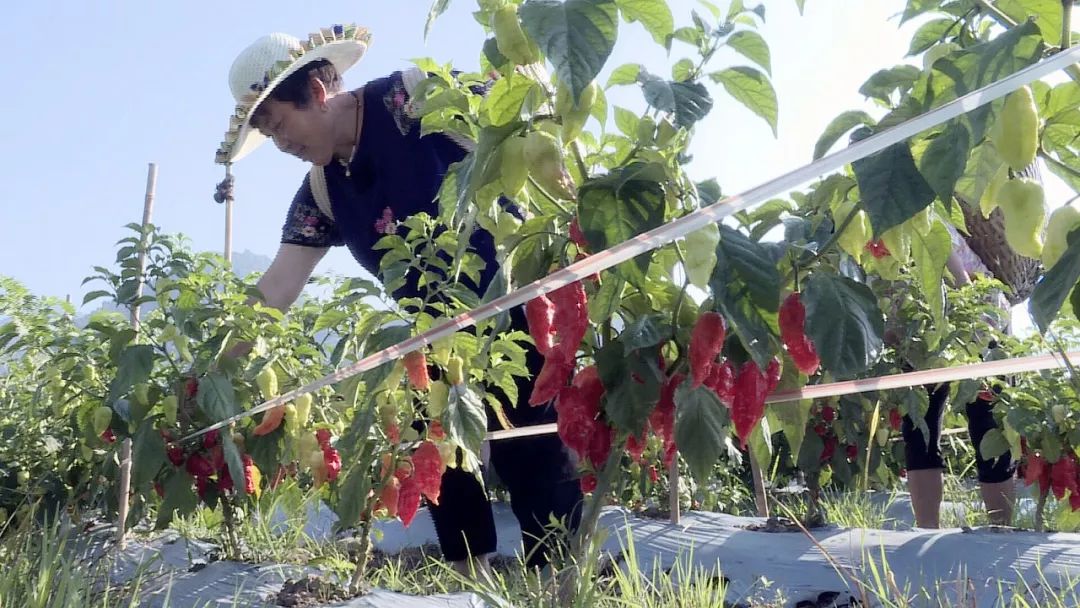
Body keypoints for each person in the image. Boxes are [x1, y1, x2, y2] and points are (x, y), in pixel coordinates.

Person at [214, 24, 582, 574]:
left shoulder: (415, 99)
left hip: (517, 301)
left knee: (527, 441)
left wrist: (581, 222)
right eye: (268, 133)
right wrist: (216, 371)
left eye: (279, 124)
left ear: (316, 92)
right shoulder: (321, 190)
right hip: (436, 330)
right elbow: (278, 285)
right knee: (428, 439)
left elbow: (528, 129)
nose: (281, 142)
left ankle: (559, 581)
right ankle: (468, 576)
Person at [899, 225, 1015, 528]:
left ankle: (1000, 528)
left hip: (981, 319)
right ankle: (926, 530)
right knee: (919, 425)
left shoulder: (923, 222)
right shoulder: (866, 248)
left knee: (988, 422)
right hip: (920, 329)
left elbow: (962, 288)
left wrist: (971, 343)